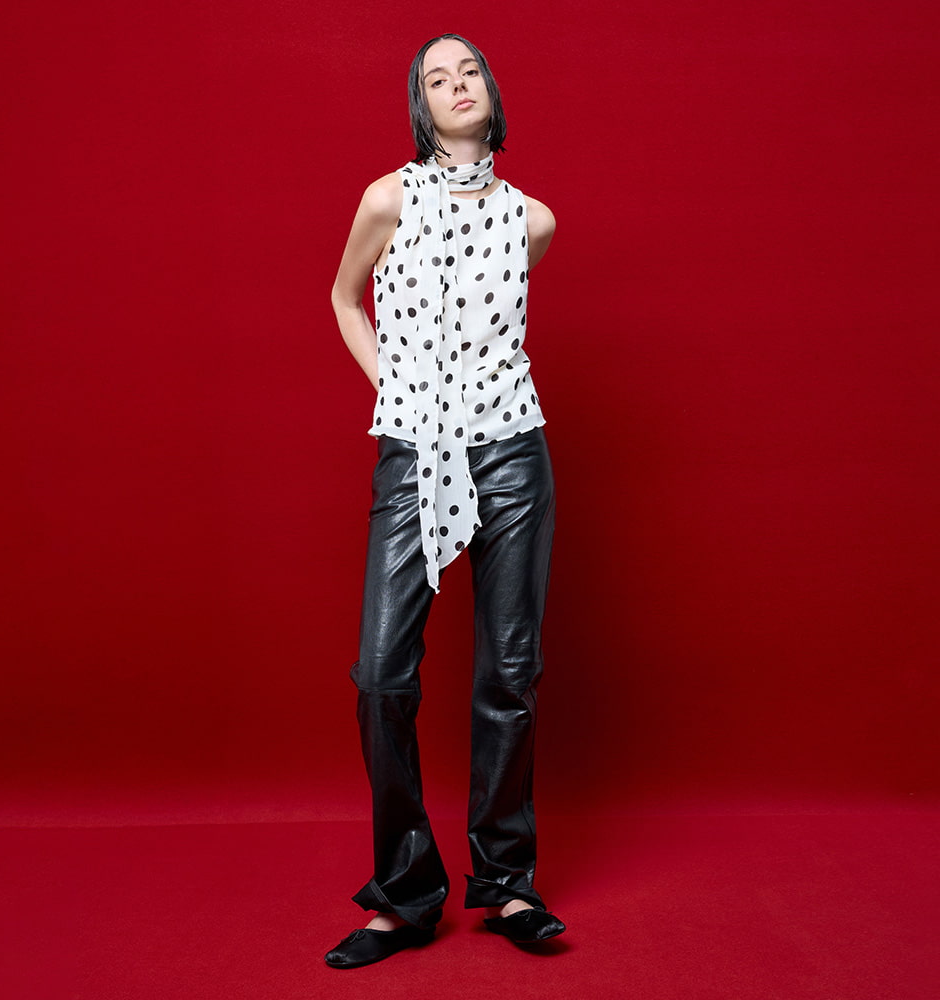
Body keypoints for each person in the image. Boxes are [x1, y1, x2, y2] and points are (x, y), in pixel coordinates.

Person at [324, 33, 565, 969]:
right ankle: (406, 893)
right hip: (413, 453)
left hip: (513, 453)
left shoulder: (533, 221)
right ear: (420, 105)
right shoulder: (386, 199)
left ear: (490, 93)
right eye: (437, 77)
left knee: (509, 676)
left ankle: (506, 884)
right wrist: (399, 397)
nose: (456, 85)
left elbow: (490, 343)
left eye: (469, 72)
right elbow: (345, 298)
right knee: (382, 676)